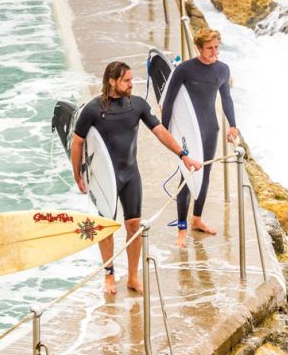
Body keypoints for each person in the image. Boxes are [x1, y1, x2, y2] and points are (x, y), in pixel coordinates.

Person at [71, 61, 202, 295]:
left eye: (132, 80)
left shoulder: (137, 105)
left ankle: (132, 277)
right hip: (105, 178)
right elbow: (77, 141)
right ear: (112, 82)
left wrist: (184, 155)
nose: (132, 84)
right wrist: (77, 174)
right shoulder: (93, 110)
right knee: (106, 228)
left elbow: (160, 131)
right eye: (127, 80)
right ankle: (109, 274)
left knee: (134, 226)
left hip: (130, 174)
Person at [161, 27, 238, 248]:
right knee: (188, 177)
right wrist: (165, 132)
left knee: (204, 175)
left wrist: (232, 125)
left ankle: (197, 220)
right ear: (199, 48)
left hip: (210, 129)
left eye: (216, 47)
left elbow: (227, 100)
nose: (214, 52)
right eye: (209, 48)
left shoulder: (223, 70)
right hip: (189, 132)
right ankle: (182, 230)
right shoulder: (185, 70)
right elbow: (169, 101)